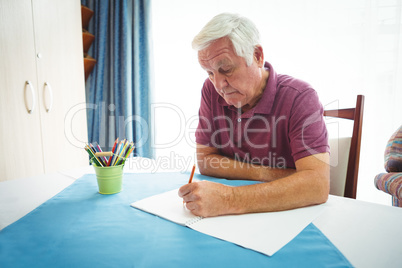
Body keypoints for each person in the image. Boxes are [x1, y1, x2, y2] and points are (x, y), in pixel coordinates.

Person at [178, 13, 330, 217]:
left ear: (257, 56)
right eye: (210, 73)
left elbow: (317, 185)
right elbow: (206, 161)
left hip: (288, 217)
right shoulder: (210, 90)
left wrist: (229, 199)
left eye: (226, 69)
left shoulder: (300, 97)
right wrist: (274, 174)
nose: (219, 85)